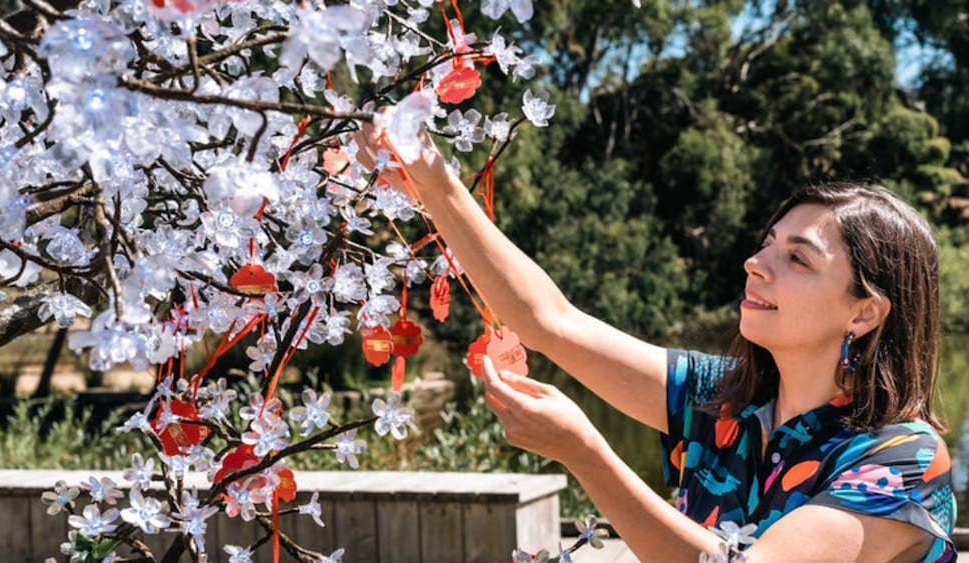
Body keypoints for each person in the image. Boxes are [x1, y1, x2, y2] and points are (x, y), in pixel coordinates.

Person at [355, 117, 957, 562]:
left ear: (865, 313)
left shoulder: (901, 458)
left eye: (797, 258)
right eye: (767, 243)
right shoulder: (719, 397)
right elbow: (547, 322)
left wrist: (586, 454)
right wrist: (432, 178)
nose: (755, 262)